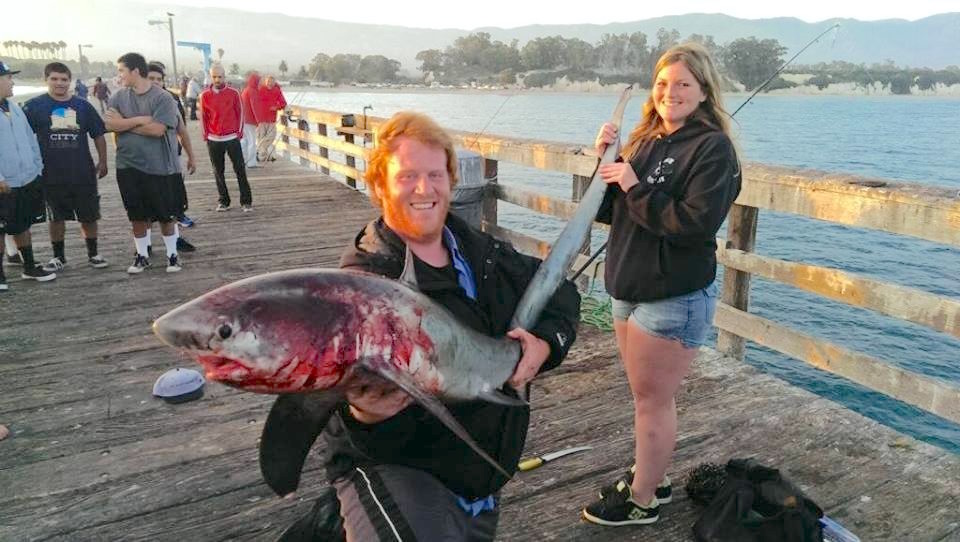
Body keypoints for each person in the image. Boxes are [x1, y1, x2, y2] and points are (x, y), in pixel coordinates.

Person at [319, 112, 580, 541]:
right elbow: (340, 415)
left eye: (435, 174)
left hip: (481, 474)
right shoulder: (366, 283)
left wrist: (546, 345)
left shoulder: (480, 251)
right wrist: (365, 414)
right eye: (407, 177)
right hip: (402, 470)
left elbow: (562, 292)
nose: (424, 189)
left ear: (451, 181)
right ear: (380, 185)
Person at [580, 43, 742, 527]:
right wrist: (606, 162)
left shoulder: (712, 149)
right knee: (648, 397)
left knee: (651, 400)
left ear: (704, 91)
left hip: (674, 294)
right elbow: (611, 213)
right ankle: (653, 474)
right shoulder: (645, 140)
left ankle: (642, 499)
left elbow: (694, 224)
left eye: (684, 85)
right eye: (664, 84)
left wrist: (632, 184)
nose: (671, 93)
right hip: (628, 287)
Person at [23, 62, 109, 272]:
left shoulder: (83, 106)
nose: (59, 83)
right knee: (56, 216)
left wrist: (103, 160)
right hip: (50, 172)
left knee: (89, 215)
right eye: (54, 79)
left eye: (63, 79)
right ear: (47, 80)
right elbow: (23, 137)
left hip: (82, 171)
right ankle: (59, 256)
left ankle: (93, 254)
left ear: (69, 81)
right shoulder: (34, 106)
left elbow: (98, 134)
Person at [104, 52, 183, 274]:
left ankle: (172, 255)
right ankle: (142, 255)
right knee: (136, 215)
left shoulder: (163, 98)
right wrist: (140, 120)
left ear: (135, 71)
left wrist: (124, 124)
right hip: (127, 165)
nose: (119, 75)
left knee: (165, 214)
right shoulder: (118, 97)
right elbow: (110, 124)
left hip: (159, 166)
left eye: (121, 70)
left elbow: (157, 130)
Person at [0, 61, 57, 287]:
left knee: (23, 224)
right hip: (4, 182)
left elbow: (30, 138)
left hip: (26, 177)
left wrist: (37, 166)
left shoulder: (13, 107)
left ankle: (29, 266)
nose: (12, 81)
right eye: (8, 78)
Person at [146, 61, 197, 252]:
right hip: (144, 162)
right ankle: (145, 245)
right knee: (145, 206)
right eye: (151, 78)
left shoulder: (172, 99)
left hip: (170, 159)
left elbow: (181, 130)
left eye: (159, 79)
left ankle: (175, 239)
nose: (156, 82)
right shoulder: (133, 100)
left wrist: (191, 155)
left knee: (172, 203)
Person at [199, 64, 251, 212]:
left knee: (240, 169)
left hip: (232, 137)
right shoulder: (204, 96)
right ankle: (224, 201)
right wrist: (206, 135)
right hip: (214, 139)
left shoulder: (234, 93)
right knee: (218, 171)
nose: (217, 79)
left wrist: (239, 132)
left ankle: (246, 201)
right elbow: (203, 117)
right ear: (211, 77)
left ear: (224, 77)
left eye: (220, 76)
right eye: (214, 76)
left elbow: (240, 113)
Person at [255, 74, 285, 162]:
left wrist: (276, 107)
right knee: (261, 137)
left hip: (272, 119)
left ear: (274, 83)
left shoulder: (277, 91)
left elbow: (283, 103)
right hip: (260, 119)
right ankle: (262, 157)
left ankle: (260, 150)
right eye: (268, 82)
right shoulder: (260, 90)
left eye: (272, 82)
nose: (270, 84)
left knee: (271, 136)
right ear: (265, 82)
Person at [239, 71, 260, 169]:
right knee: (252, 141)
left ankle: (240, 159)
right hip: (250, 120)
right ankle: (251, 162)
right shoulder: (253, 91)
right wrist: (258, 120)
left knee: (244, 140)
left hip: (243, 120)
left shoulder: (246, 90)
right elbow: (255, 107)